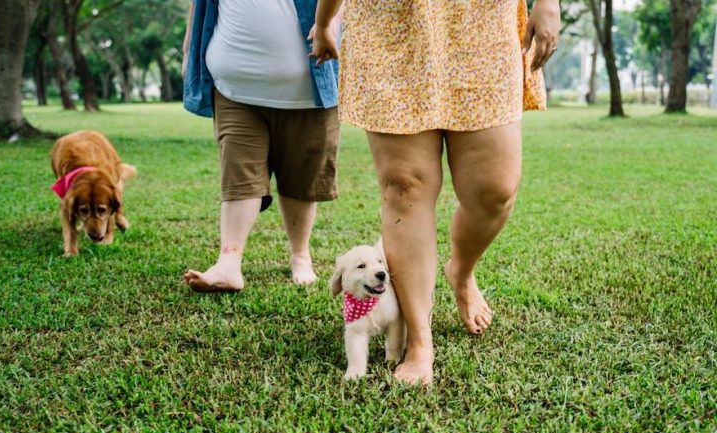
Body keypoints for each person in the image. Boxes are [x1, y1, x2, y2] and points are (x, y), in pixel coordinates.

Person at [313, 0, 561, 385]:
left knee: (495, 189)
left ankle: (461, 271)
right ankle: (420, 342)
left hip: (479, 21)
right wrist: (325, 19)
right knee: (404, 187)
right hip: (391, 23)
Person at [181, 0, 341, 292]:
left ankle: (300, 255)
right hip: (235, 90)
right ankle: (228, 263)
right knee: (239, 171)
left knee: (301, 178)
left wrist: (327, 24)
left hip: (309, 88)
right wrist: (189, 45)